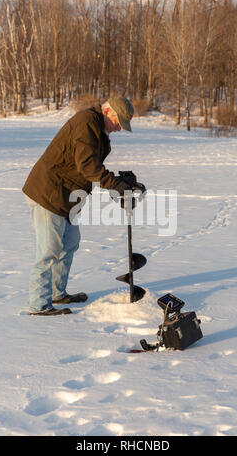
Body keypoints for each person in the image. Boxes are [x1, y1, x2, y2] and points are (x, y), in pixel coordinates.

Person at [23, 96, 145, 316]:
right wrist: (116, 185)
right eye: (119, 123)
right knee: (49, 250)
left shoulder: (98, 129)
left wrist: (120, 182)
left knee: (69, 244)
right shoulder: (86, 122)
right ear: (108, 112)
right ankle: (38, 304)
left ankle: (57, 294)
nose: (119, 129)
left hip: (67, 197)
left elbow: (90, 165)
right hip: (48, 193)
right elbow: (87, 166)